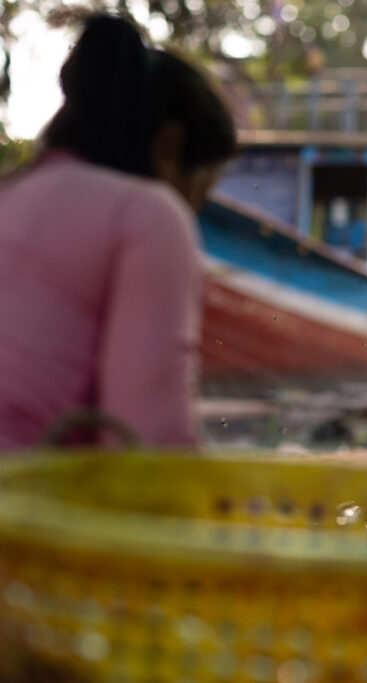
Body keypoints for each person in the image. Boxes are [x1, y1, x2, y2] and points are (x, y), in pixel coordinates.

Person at [0, 13, 236, 450]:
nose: (193, 212)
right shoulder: (148, 213)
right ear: (169, 146)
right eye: (199, 193)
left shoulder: (11, 192)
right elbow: (148, 444)